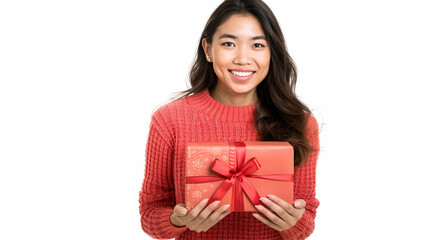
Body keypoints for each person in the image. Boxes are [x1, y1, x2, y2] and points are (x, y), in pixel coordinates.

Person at [138, 0, 320, 239]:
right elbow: (149, 214)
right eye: (229, 44)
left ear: (271, 53)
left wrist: (292, 223)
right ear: (207, 49)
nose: (243, 59)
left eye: (257, 45)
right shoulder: (170, 120)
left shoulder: (302, 123)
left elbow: (306, 221)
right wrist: (177, 220)